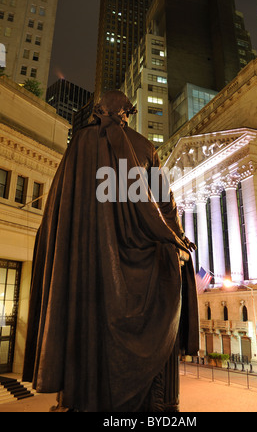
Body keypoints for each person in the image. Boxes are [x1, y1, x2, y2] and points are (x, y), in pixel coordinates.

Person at [22, 90, 199, 412]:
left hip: (88, 259)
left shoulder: (80, 144)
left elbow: (62, 208)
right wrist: (178, 239)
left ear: (99, 111)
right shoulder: (145, 146)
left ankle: (85, 398)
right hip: (140, 258)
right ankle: (153, 400)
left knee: (86, 321)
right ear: (127, 113)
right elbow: (164, 205)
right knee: (168, 289)